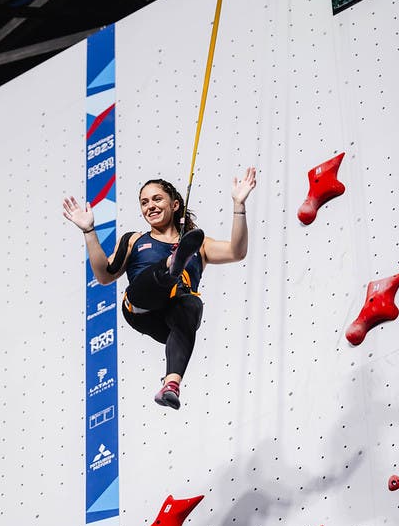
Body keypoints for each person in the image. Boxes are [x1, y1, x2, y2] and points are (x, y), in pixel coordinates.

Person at [63, 167, 256, 410]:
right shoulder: (134, 240)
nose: (150, 206)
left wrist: (239, 205)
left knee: (191, 303)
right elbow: (104, 275)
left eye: (157, 199)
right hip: (141, 307)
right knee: (168, 281)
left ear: (175, 205)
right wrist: (89, 231)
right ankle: (170, 268)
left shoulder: (200, 246)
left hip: (169, 321)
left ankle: (171, 385)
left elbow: (237, 252)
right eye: (144, 202)